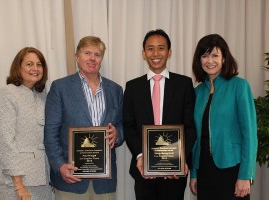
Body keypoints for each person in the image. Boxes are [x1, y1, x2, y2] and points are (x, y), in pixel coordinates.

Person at [44, 36, 124, 200]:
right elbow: (50, 133)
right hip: (71, 179)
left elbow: (123, 125)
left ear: (101, 58)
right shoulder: (60, 87)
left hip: (104, 183)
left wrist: (117, 135)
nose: (92, 58)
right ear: (77, 57)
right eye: (87, 53)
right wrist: (59, 166)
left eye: (97, 54)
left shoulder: (115, 90)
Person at [123, 29, 196, 200]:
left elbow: (190, 126)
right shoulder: (133, 87)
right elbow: (129, 126)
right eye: (150, 48)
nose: (156, 53)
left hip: (174, 174)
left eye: (161, 48)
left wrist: (180, 158)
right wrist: (140, 155)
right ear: (143, 53)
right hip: (143, 170)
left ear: (169, 52)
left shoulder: (184, 84)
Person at [189, 34, 257, 200]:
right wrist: (194, 173)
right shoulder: (197, 92)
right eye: (204, 56)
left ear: (224, 58)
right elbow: (197, 138)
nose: (209, 61)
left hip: (232, 168)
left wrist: (245, 175)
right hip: (204, 170)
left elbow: (250, 134)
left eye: (215, 55)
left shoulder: (239, 86)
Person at [0, 47, 53, 200]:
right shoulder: (8, 93)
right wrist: (18, 184)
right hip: (16, 181)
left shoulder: (42, 96)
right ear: (18, 68)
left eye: (39, 65)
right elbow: (4, 141)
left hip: (42, 179)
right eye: (29, 64)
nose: (35, 68)